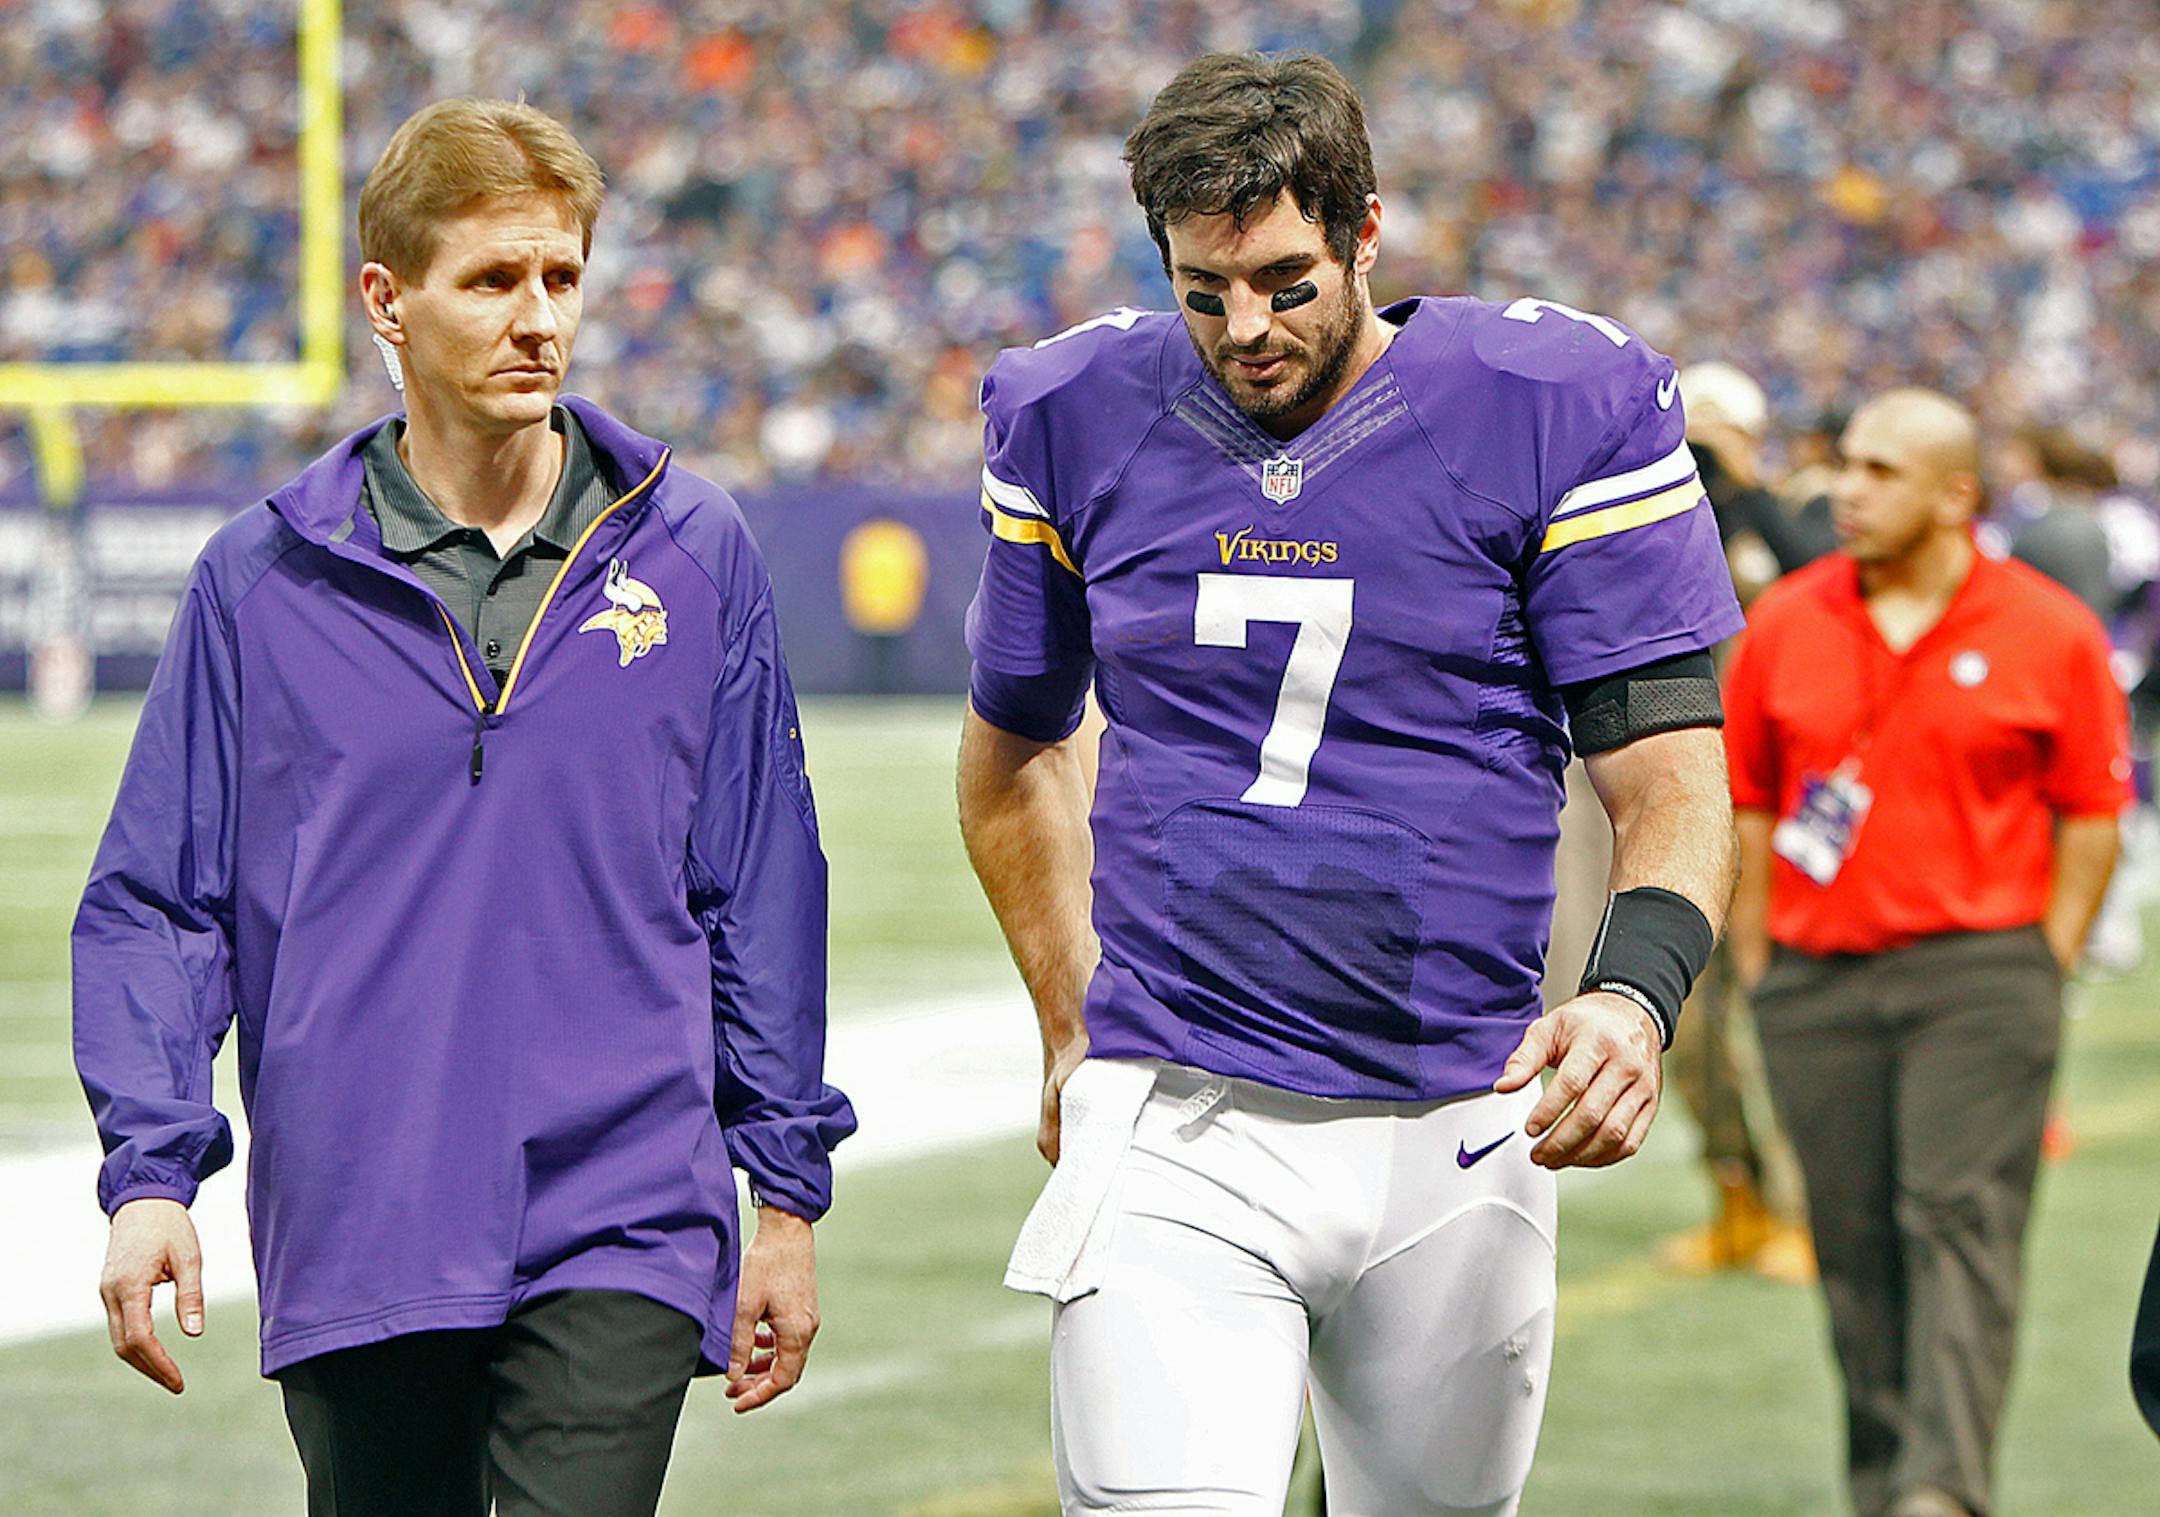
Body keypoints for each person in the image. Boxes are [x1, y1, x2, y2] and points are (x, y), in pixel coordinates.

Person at [955, 52, 1742, 1516]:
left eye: (1284, 281)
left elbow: (1674, 778)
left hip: (1460, 1109)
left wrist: (1633, 999)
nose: (1245, 328)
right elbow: (1015, 747)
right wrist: (1071, 1022)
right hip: (1178, 1092)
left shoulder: (1550, 401)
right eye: (1203, 290)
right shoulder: (1073, 408)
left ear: (1366, 231)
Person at [72, 99, 853, 1517]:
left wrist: (785, 1194)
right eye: (494, 279)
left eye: (561, 276)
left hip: (625, 1207)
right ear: (389, 300)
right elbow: (159, 903)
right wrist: (150, 1175)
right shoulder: (261, 580)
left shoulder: (694, 550)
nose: (539, 317)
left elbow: (761, 889)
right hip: (363, 1208)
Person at [1723, 389, 2128, 1517]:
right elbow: (1748, 802)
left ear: (1957, 495)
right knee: (1854, 1247)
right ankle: (1887, 1486)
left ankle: (1939, 1491)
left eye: (1881, 470)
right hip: (1815, 979)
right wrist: (1759, 961)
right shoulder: (1786, 621)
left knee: (1958, 1223)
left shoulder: (2049, 627)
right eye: (1847, 464)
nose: (1847, 489)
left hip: (1981, 975)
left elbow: (2092, 812)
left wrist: (2041, 959)